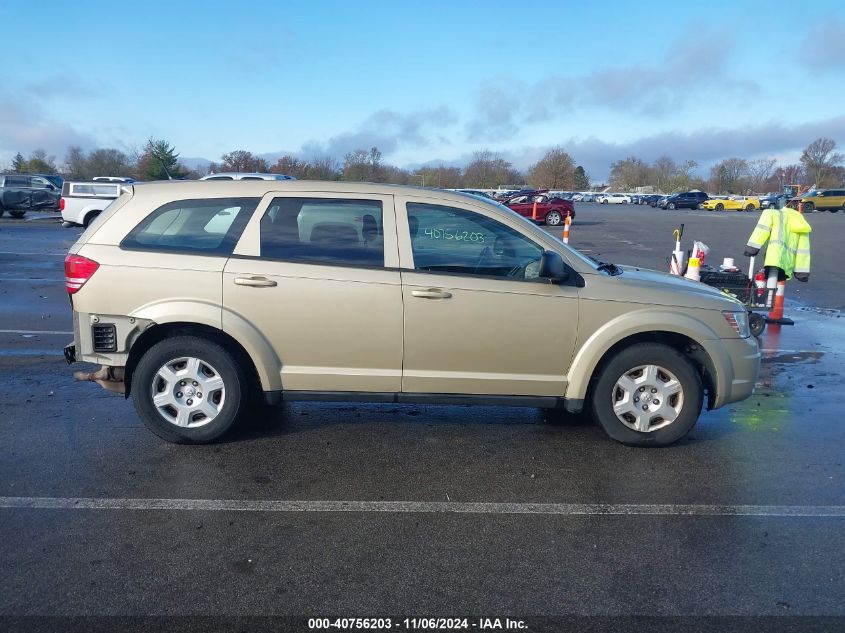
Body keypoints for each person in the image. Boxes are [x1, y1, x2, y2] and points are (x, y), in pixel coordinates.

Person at [744, 195, 811, 283]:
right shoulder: (802, 224)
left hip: (773, 258)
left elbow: (761, 231)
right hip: (787, 264)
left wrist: (751, 249)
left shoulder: (772, 214)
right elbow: (803, 250)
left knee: (769, 289)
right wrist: (802, 273)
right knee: (775, 287)